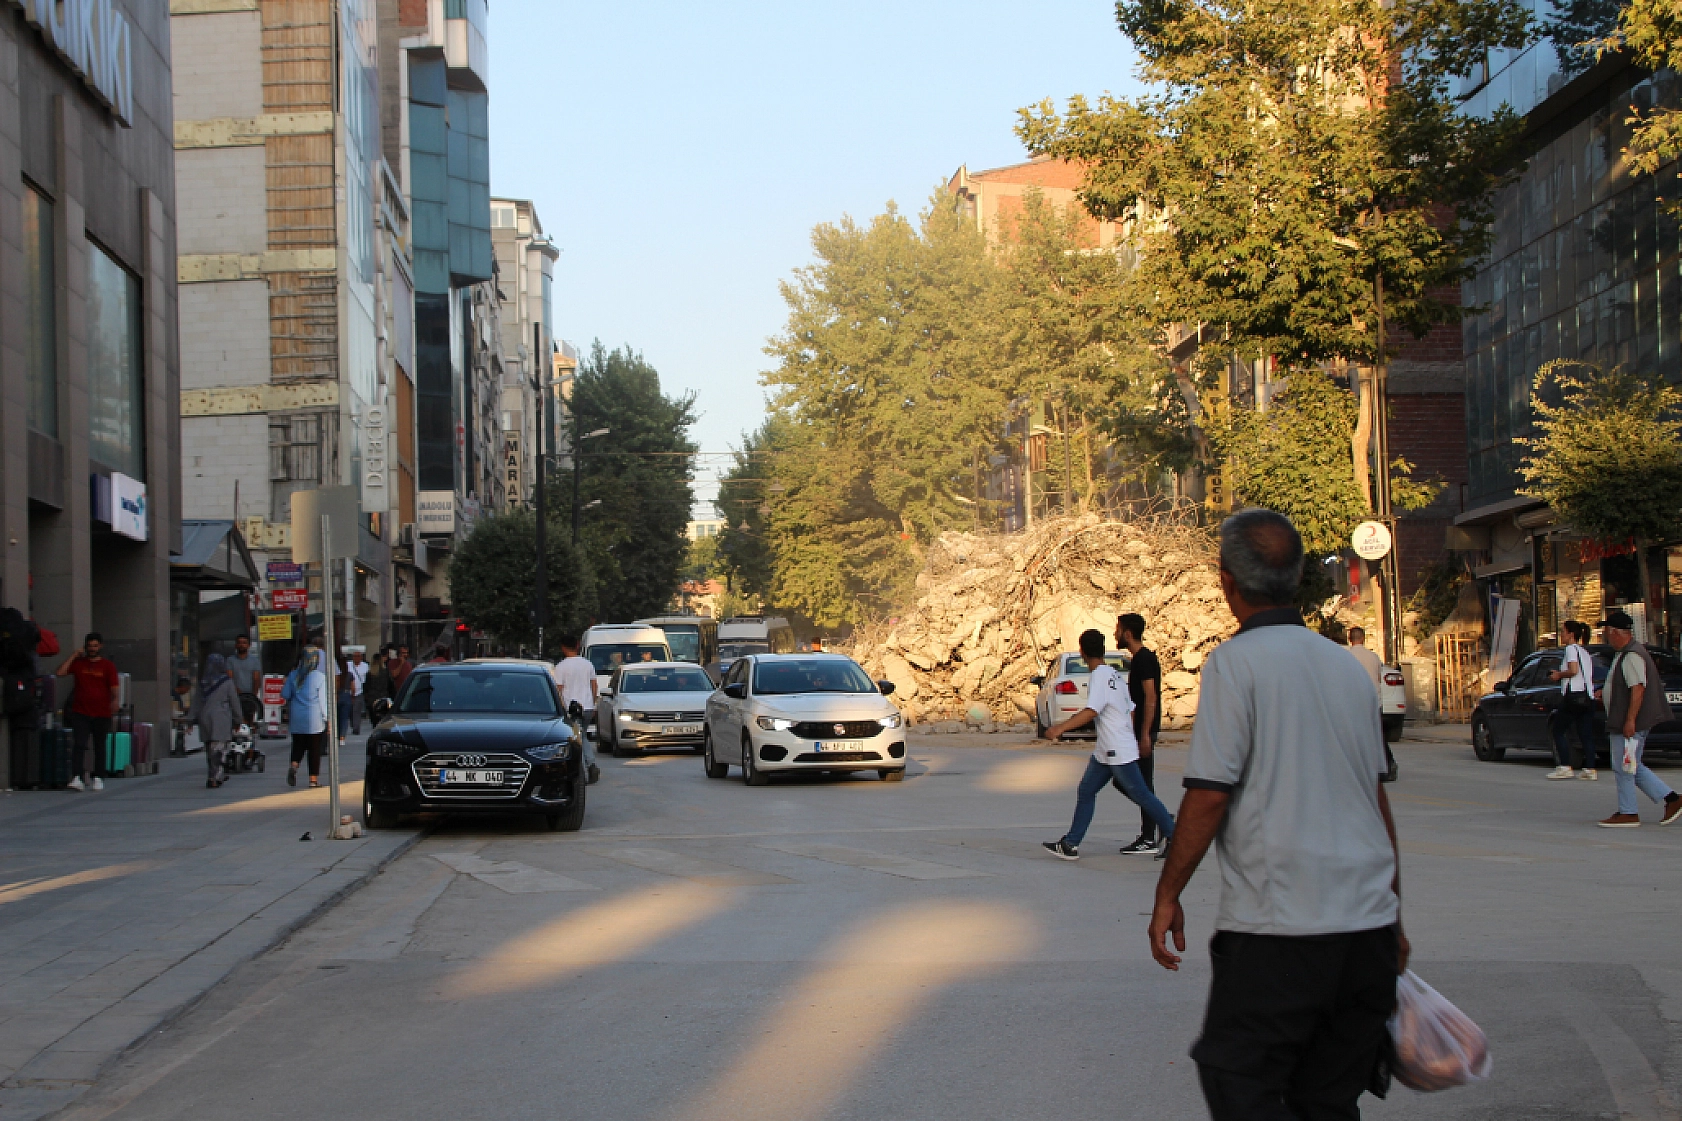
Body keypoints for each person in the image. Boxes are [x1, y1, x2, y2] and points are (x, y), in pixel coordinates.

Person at [1150, 508, 1406, 1120]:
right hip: (1365, 931)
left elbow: (1210, 794)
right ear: (1295, 579)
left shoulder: (1236, 664)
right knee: (1328, 1096)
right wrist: (1394, 916)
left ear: (1226, 582)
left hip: (1282, 930)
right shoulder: (1346, 669)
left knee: (1236, 1076)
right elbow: (1375, 800)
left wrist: (1168, 893)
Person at [1042, 628, 1176, 861]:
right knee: (1086, 790)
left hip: (1116, 748)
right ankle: (1070, 844)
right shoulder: (1113, 674)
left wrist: (1060, 728)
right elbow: (1131, 709)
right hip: (1108, 747)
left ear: (1083, 653)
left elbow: (1092, 710)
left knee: (1141, 793)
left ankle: (1173, 832)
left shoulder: (1100, 677)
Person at [1593, 610, 1682, 827]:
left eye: (1607, 631)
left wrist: (1630, 720)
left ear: (1615, 633)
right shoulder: (1627, 653)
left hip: (1629, 721)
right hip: (1626, 719)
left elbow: (1638, 689)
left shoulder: (1632, 655)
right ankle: (1672, 799)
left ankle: (1629, 812)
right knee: (1630, 764)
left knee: (1624, 766)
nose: (1606, 636)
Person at [1117, 613, 1164, 855]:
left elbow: (1150, 697)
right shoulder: (1138, 660)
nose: (1115, 633)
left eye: (1118, 629)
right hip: (1136, 732)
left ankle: (1151, 833)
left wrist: (1145, 734)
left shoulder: (1145, 660)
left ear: (1127, 633)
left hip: (1144, 732)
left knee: (1140, 783)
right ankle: (1159, 820)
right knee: (1128, 782)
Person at [56, 633, 121, 792]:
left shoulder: (107, 666)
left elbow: (114, 686)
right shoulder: (79, 664)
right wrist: (73, 655)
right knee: (79, 744)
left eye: (95, 646)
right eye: (90, 646)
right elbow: (60, 672)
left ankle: (98, 777)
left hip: (101, 712)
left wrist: (115, 700)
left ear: (100, 646)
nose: (92, 649)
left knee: (99, 746)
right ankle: (77, 777)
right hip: (80, 711)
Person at [1546, 620, 1598, 780]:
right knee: (1585, 734)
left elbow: (1573, 670)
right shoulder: (1585, 652)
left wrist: (1558, 675)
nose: (1561, 635)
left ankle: (1565, 766)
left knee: (1558, 730)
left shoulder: (1570, 649)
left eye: (1563, 631)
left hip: (1574, 696)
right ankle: (1590, 768)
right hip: (1588, 697)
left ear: (1571, 634)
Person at [552, 635, 601, 785]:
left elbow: (558, 689)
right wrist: (593, 704)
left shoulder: (561, 667)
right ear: (578, 645)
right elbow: (594, 685)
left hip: (571, 709)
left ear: (563, 647)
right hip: (587, 706)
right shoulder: (588, 664)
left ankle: (580, 770)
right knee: (583, 736)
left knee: (575, 740)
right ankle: (591, 765)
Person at [190, 653, 242, 788]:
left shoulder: (203, 683)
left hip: (205, 719)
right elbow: (234, 702)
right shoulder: (227, 682)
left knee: (209, 750)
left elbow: (196, 703)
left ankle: (211, 775)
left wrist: (190, 720)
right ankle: (215, 777)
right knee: (219, 750)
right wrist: (238, 719)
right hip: (221, 719)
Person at [282, 647, 328, 788]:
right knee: (314, 750)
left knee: (298, 746)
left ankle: (294, 766)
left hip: (297, 718)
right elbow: (322, 701)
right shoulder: (319, 677)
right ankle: (313, 780)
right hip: (314, 720)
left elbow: (285, 694)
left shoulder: (293, 675)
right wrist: (328, 719)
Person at [227, 634, 262, 726]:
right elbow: (229, 678)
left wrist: (253, 695)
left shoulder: (254, 661)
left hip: (250, 697)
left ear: (248, 645)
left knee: (249, 721)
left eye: (244, 643)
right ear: (236, 645)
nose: (241, 645)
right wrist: (235, 690)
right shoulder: (230, 660)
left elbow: (256, 678)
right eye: (239, 643)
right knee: (236, 721)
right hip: (234, 696)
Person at [1346, 625, 1384, 693]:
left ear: (1349, 639)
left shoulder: (1345, 657)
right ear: (1363, 638)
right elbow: (1379, 678)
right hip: (1374, 697)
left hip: (1355, 697)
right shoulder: (1374, 656)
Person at [363, 647, 394, 722]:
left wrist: (366, 699)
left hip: (372, 700)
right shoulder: (386, 672)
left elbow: (366, 688)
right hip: (384, 699)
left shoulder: (370, 674)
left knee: (374, 722)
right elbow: (391, 686)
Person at [346, 649, 369, 734]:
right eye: (355, 656)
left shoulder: (365, 666)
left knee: (357, 710)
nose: (356, 658)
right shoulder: (348, 665)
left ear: (361, 657)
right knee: (351, 710)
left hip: (359, 691)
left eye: (358, 656)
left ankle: (356, 728)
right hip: (349, 691)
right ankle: (353, 723)